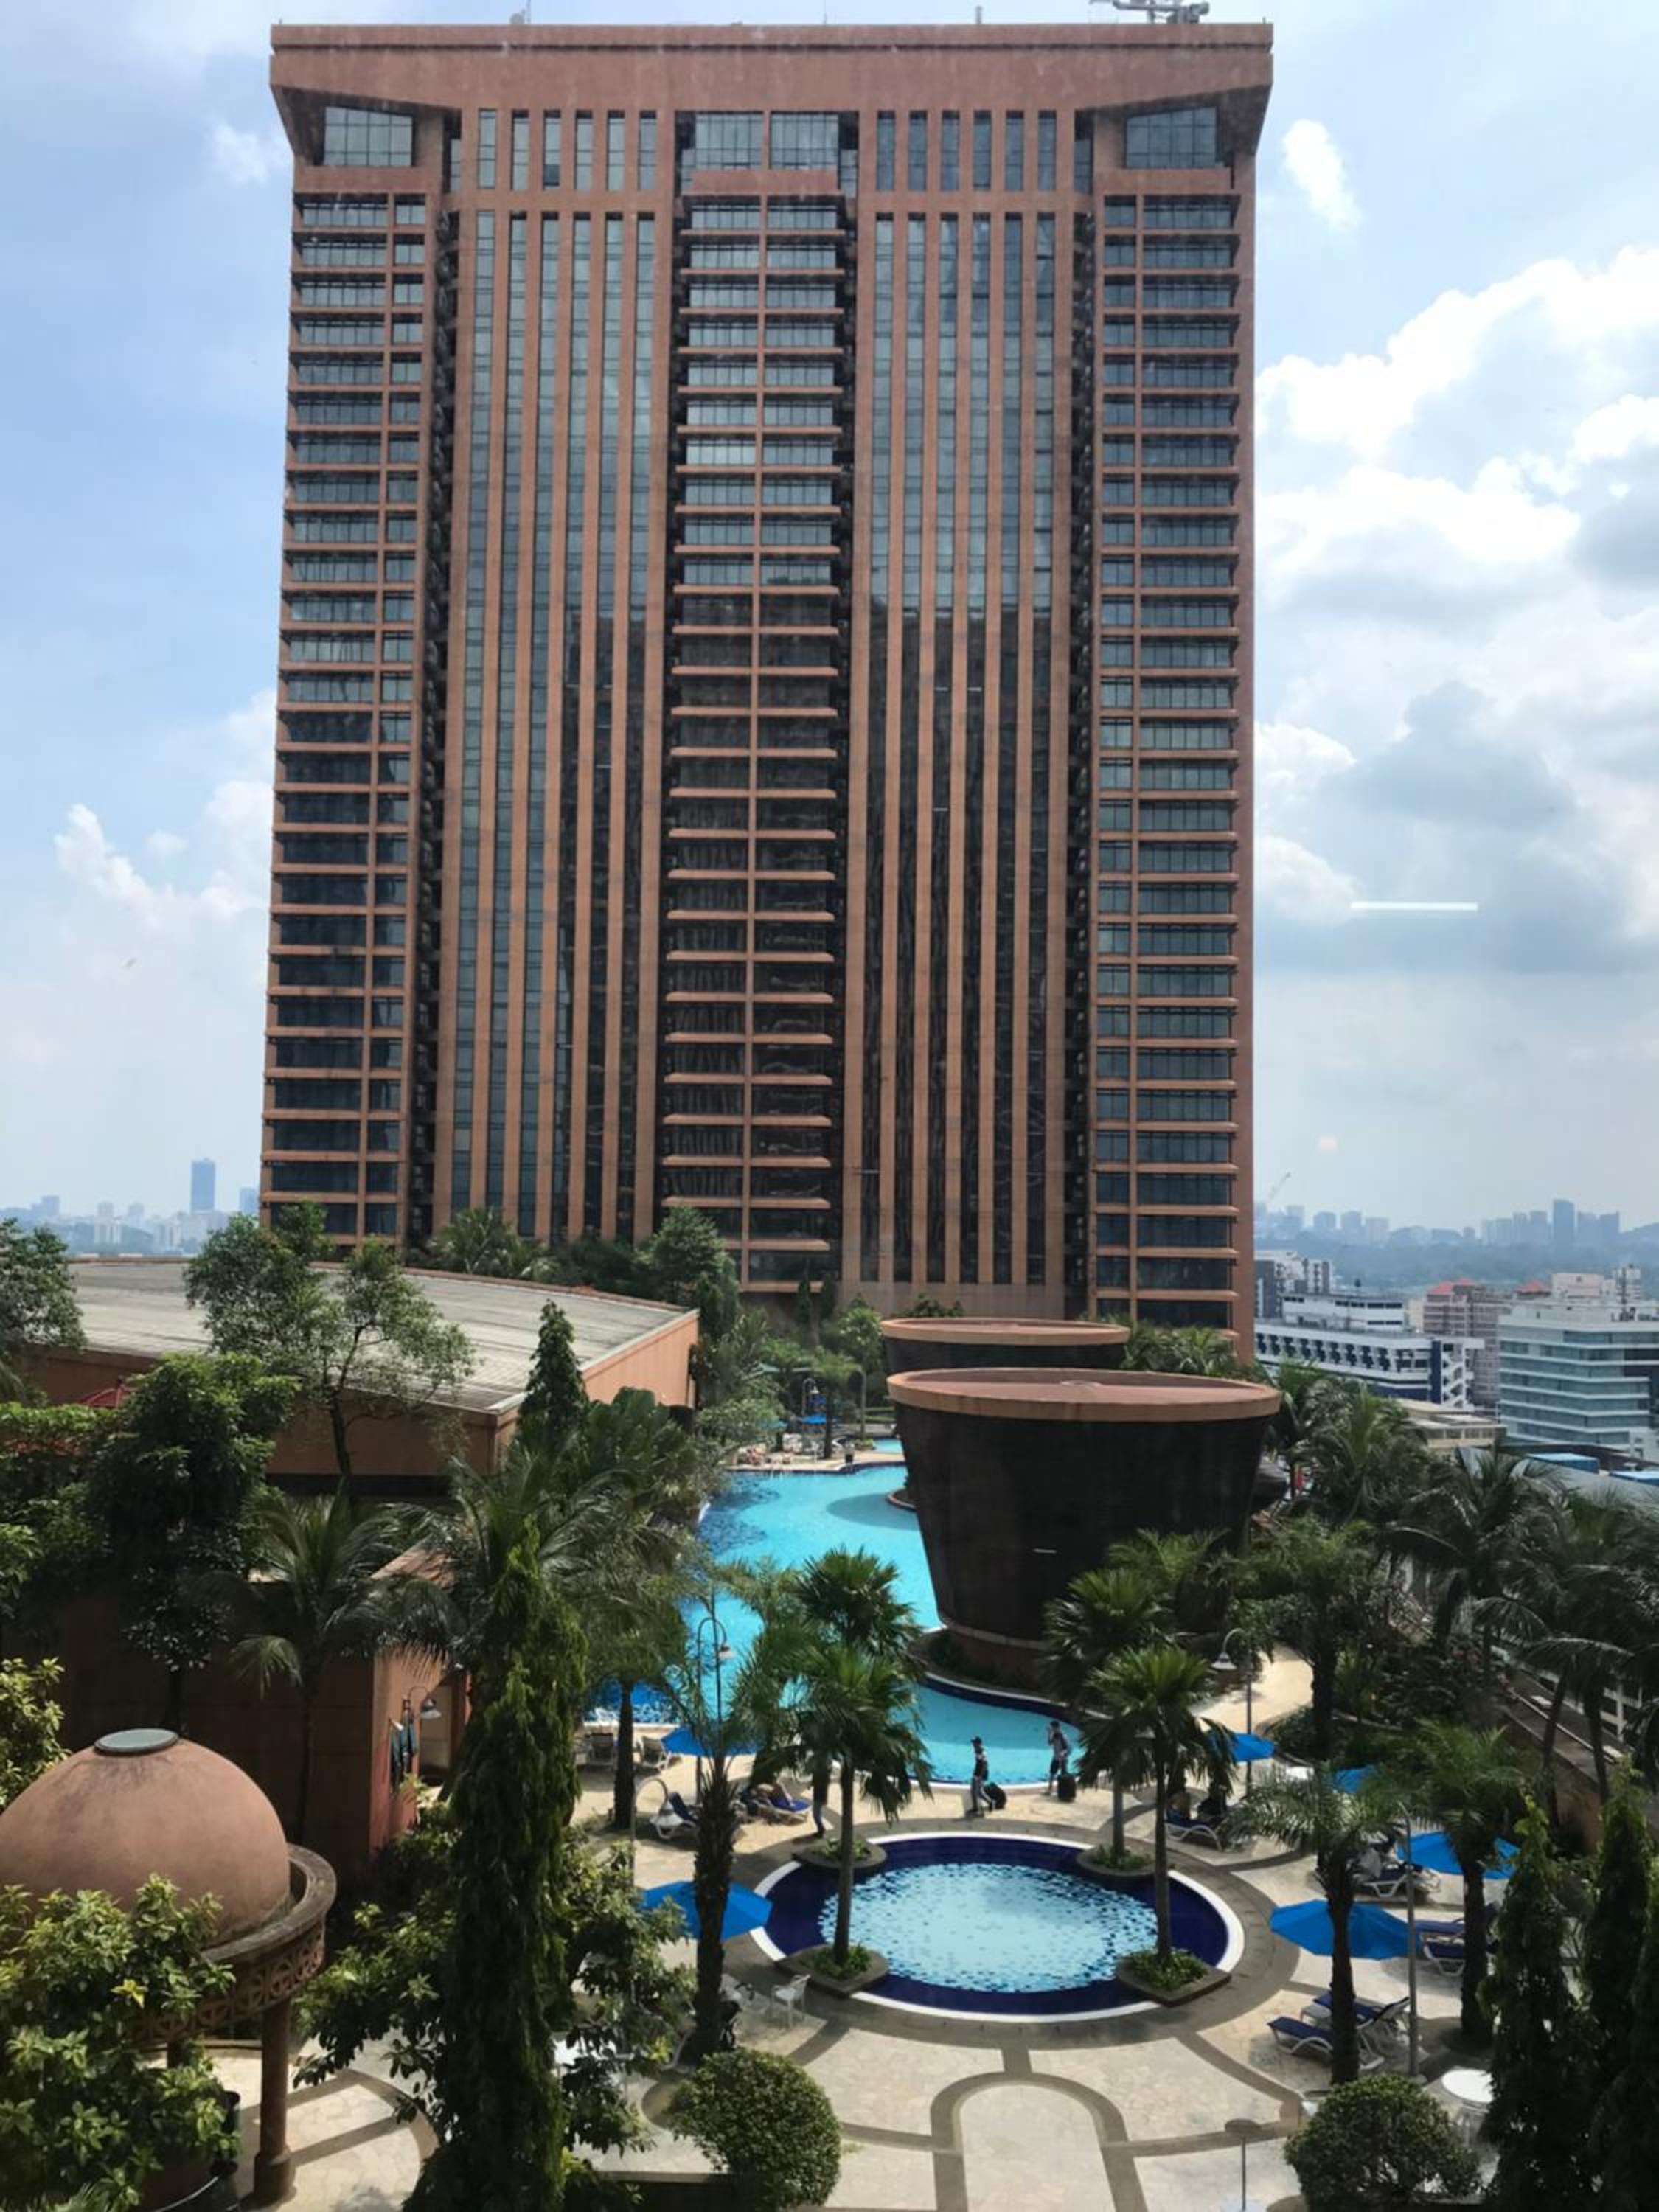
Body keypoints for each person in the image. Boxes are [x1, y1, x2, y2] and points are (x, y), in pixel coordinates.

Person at [1045, 1719, 1071, 1797]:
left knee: (1063, 1775)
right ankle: (1049, 1790)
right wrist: (1049, 1733)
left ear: (1057, 1727)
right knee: (1052, 1774)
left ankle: (1064, 1792)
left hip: (1063, 1760)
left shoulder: (1063, 1736)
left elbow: (1069, 1749)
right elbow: (1049, 1743)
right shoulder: (1054, 1735)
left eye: (1052, 1728)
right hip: (1056, 1758)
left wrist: (1063, 1753)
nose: (1052, 1729)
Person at [969, 1736, 990, 1817]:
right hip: (976, 1773)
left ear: (979, 1744)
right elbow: (979, 1763)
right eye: (973, 1743)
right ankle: (975, 1808)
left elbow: (985, 1765)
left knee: (979, 1792)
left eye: (975, 1743)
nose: (973, 1745)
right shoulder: (977, 1751)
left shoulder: (982, 1753)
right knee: (972, 1791)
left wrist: (981, 1776)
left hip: (980, 1774)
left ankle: (991, 1802)